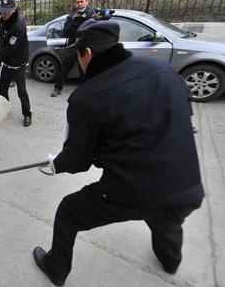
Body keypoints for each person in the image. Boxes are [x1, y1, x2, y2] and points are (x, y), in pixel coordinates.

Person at [33, 20, 204, 286]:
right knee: (166, 213)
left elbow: (78, 161)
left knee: (68, 211)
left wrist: (59, 163)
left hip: (132, 192)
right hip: (187, 189)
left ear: (86, 54)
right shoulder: (165, 71)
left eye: (78, 55)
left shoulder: (87, 98)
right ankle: (170, 261)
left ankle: (56, 268)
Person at [0, 0, 32, 127]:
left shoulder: (18, 27)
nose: (2, 14)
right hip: (7, 63)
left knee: (22, 92)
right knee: (2, 89)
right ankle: (5, 108)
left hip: (17, 64)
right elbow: (2, 21)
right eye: (1, 11)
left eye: (5, 12)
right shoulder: (6, 17)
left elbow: (9, 49)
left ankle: (27, 114)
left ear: (14, 10)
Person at [51, 0, 95, 97]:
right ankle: (58, 88)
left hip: (85, 45)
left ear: (86, 2)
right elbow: (66, 32)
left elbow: (95, 29)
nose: (79, 4)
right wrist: (75, 22)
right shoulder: (71, 16)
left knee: (84, 69)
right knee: (65, 67)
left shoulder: (92, 13)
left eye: (81, 1)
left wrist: (87, 20)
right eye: (78, 2)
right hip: (73, 45)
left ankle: (85, 91)